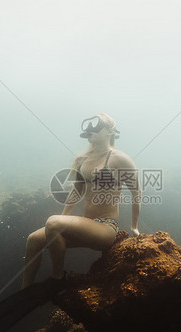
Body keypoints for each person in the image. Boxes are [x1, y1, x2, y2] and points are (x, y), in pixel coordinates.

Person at [21, 113, 141, 288]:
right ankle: (25, 290)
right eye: (89, 131)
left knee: (53, 223)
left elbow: (136, 193)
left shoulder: (120, 159)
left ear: (110, 131)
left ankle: (57, 279)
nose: (90, 133)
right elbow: (76, 192)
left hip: (105, 227)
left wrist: (134, 227)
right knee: (33, 239)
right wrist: (59, 223)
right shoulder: (81, 160)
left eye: (96, 128)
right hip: (86, 223)